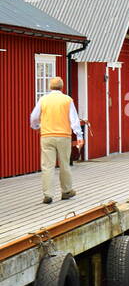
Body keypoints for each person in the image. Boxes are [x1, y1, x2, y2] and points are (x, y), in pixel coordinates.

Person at [30, 75, 84, 205]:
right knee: (64, 164)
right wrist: (80, 136)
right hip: (63, 136)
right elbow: (74, 120)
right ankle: (66, 191)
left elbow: (34, 116)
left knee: (47, 166)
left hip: (46, 135)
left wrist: (36, 126)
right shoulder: (67, 100)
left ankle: (48, 194)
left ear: (50, 86)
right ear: (62, 86)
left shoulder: (43, 99)